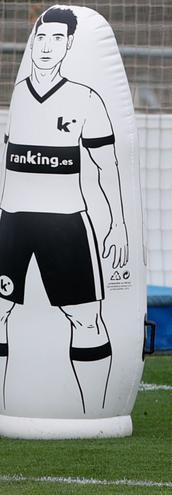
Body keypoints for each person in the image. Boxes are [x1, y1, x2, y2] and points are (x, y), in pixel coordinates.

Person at [0, 7, 129, 413]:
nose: (46, 45)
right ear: (32, 42)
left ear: (69, 45)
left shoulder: (85, 99)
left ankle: (94, 414)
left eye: (57, 38)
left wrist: (119, 225)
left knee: (86, 318)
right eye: (41, 37)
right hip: (14, 223)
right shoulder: (18, 94)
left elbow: (108, 165)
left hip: (66, 226)